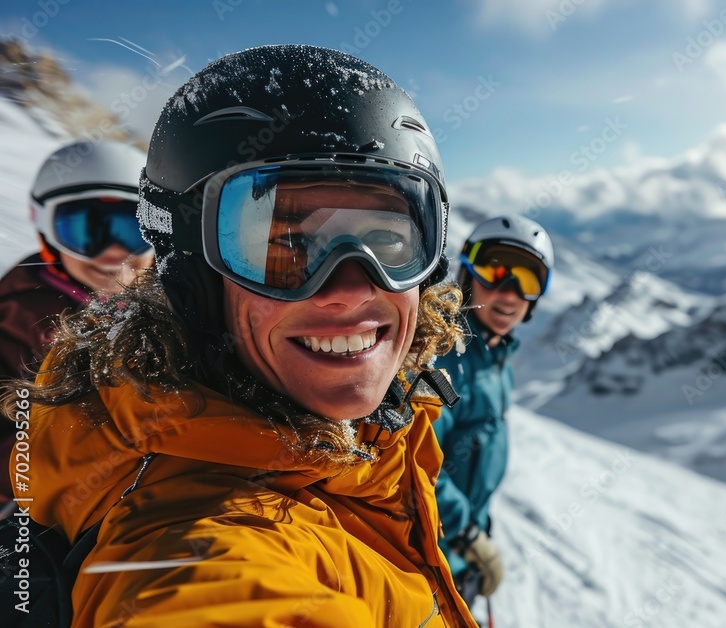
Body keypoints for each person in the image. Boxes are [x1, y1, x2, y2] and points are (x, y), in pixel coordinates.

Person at [4, 45, 477, 626]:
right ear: (190, 273)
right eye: (285, 246)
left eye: (387, 239)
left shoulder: (376, 438)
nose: (351, 289)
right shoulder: (191, 540)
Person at [0, 140, 151, 505]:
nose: (114, 252)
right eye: (85, 231)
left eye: (134, 230)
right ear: (46, 231)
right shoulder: (18, 326)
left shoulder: (174, 300)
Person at [433, 215, 554, 604]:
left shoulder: (496, 358)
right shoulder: (446, 359)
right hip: (431, 559)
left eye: (527, 281)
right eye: (495, 271)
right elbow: (418, 460)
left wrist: (477, 527)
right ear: (467, 275)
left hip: (459, 554)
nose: (509, 292)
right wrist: (467, 534)